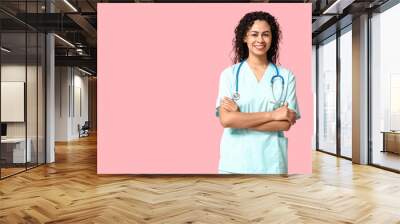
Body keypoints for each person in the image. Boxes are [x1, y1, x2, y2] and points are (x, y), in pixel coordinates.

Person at [215, 11, 300, 174]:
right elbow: (226, 120)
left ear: (272, 38)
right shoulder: (230, 75)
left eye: (265, 34)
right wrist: (272, 115)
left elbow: (284, 124)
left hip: (271, 163)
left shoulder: (286, 76)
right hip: (234, 163)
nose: (260, 40)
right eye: (254, 34)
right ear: (245, 37)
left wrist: (240, 118)